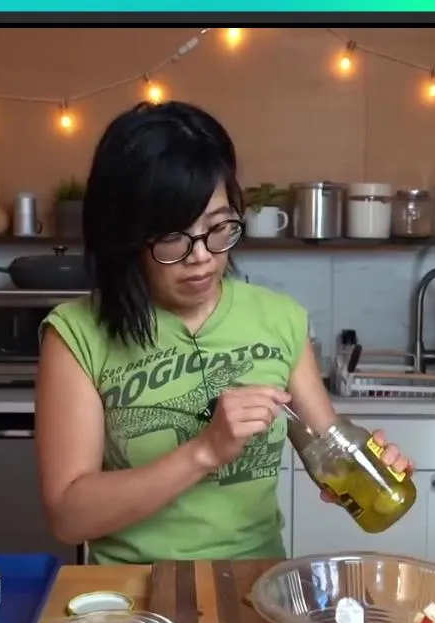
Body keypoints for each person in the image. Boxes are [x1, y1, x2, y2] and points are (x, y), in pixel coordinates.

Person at [35, 101, 412, 564]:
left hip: (256, 582)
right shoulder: (76, 335)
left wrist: (365, 467)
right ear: (124, 235)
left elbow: (326, 445)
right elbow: (68, 516)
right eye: (172, 237)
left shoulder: (279, 318)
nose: (202, 257)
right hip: (133, 588)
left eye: (218, 227)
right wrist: (206, 451)